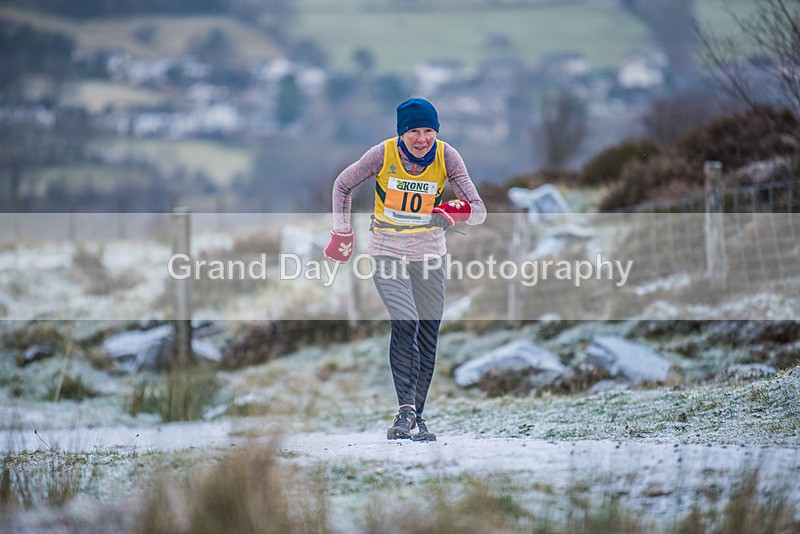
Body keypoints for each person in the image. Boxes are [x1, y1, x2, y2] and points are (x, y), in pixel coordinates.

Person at [324, 97, 486, 441]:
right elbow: (343, 184)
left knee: (427, 334)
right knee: (405, 321)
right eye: (414, 131)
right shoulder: (383, 154)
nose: (422, 138)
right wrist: (342, 231)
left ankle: (418, 417)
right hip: (387, 251)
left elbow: (479, 208)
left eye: (429, 130)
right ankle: (404, 412)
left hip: (430, 256)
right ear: (402, 133)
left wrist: (453, 211)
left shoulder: (447, 156)